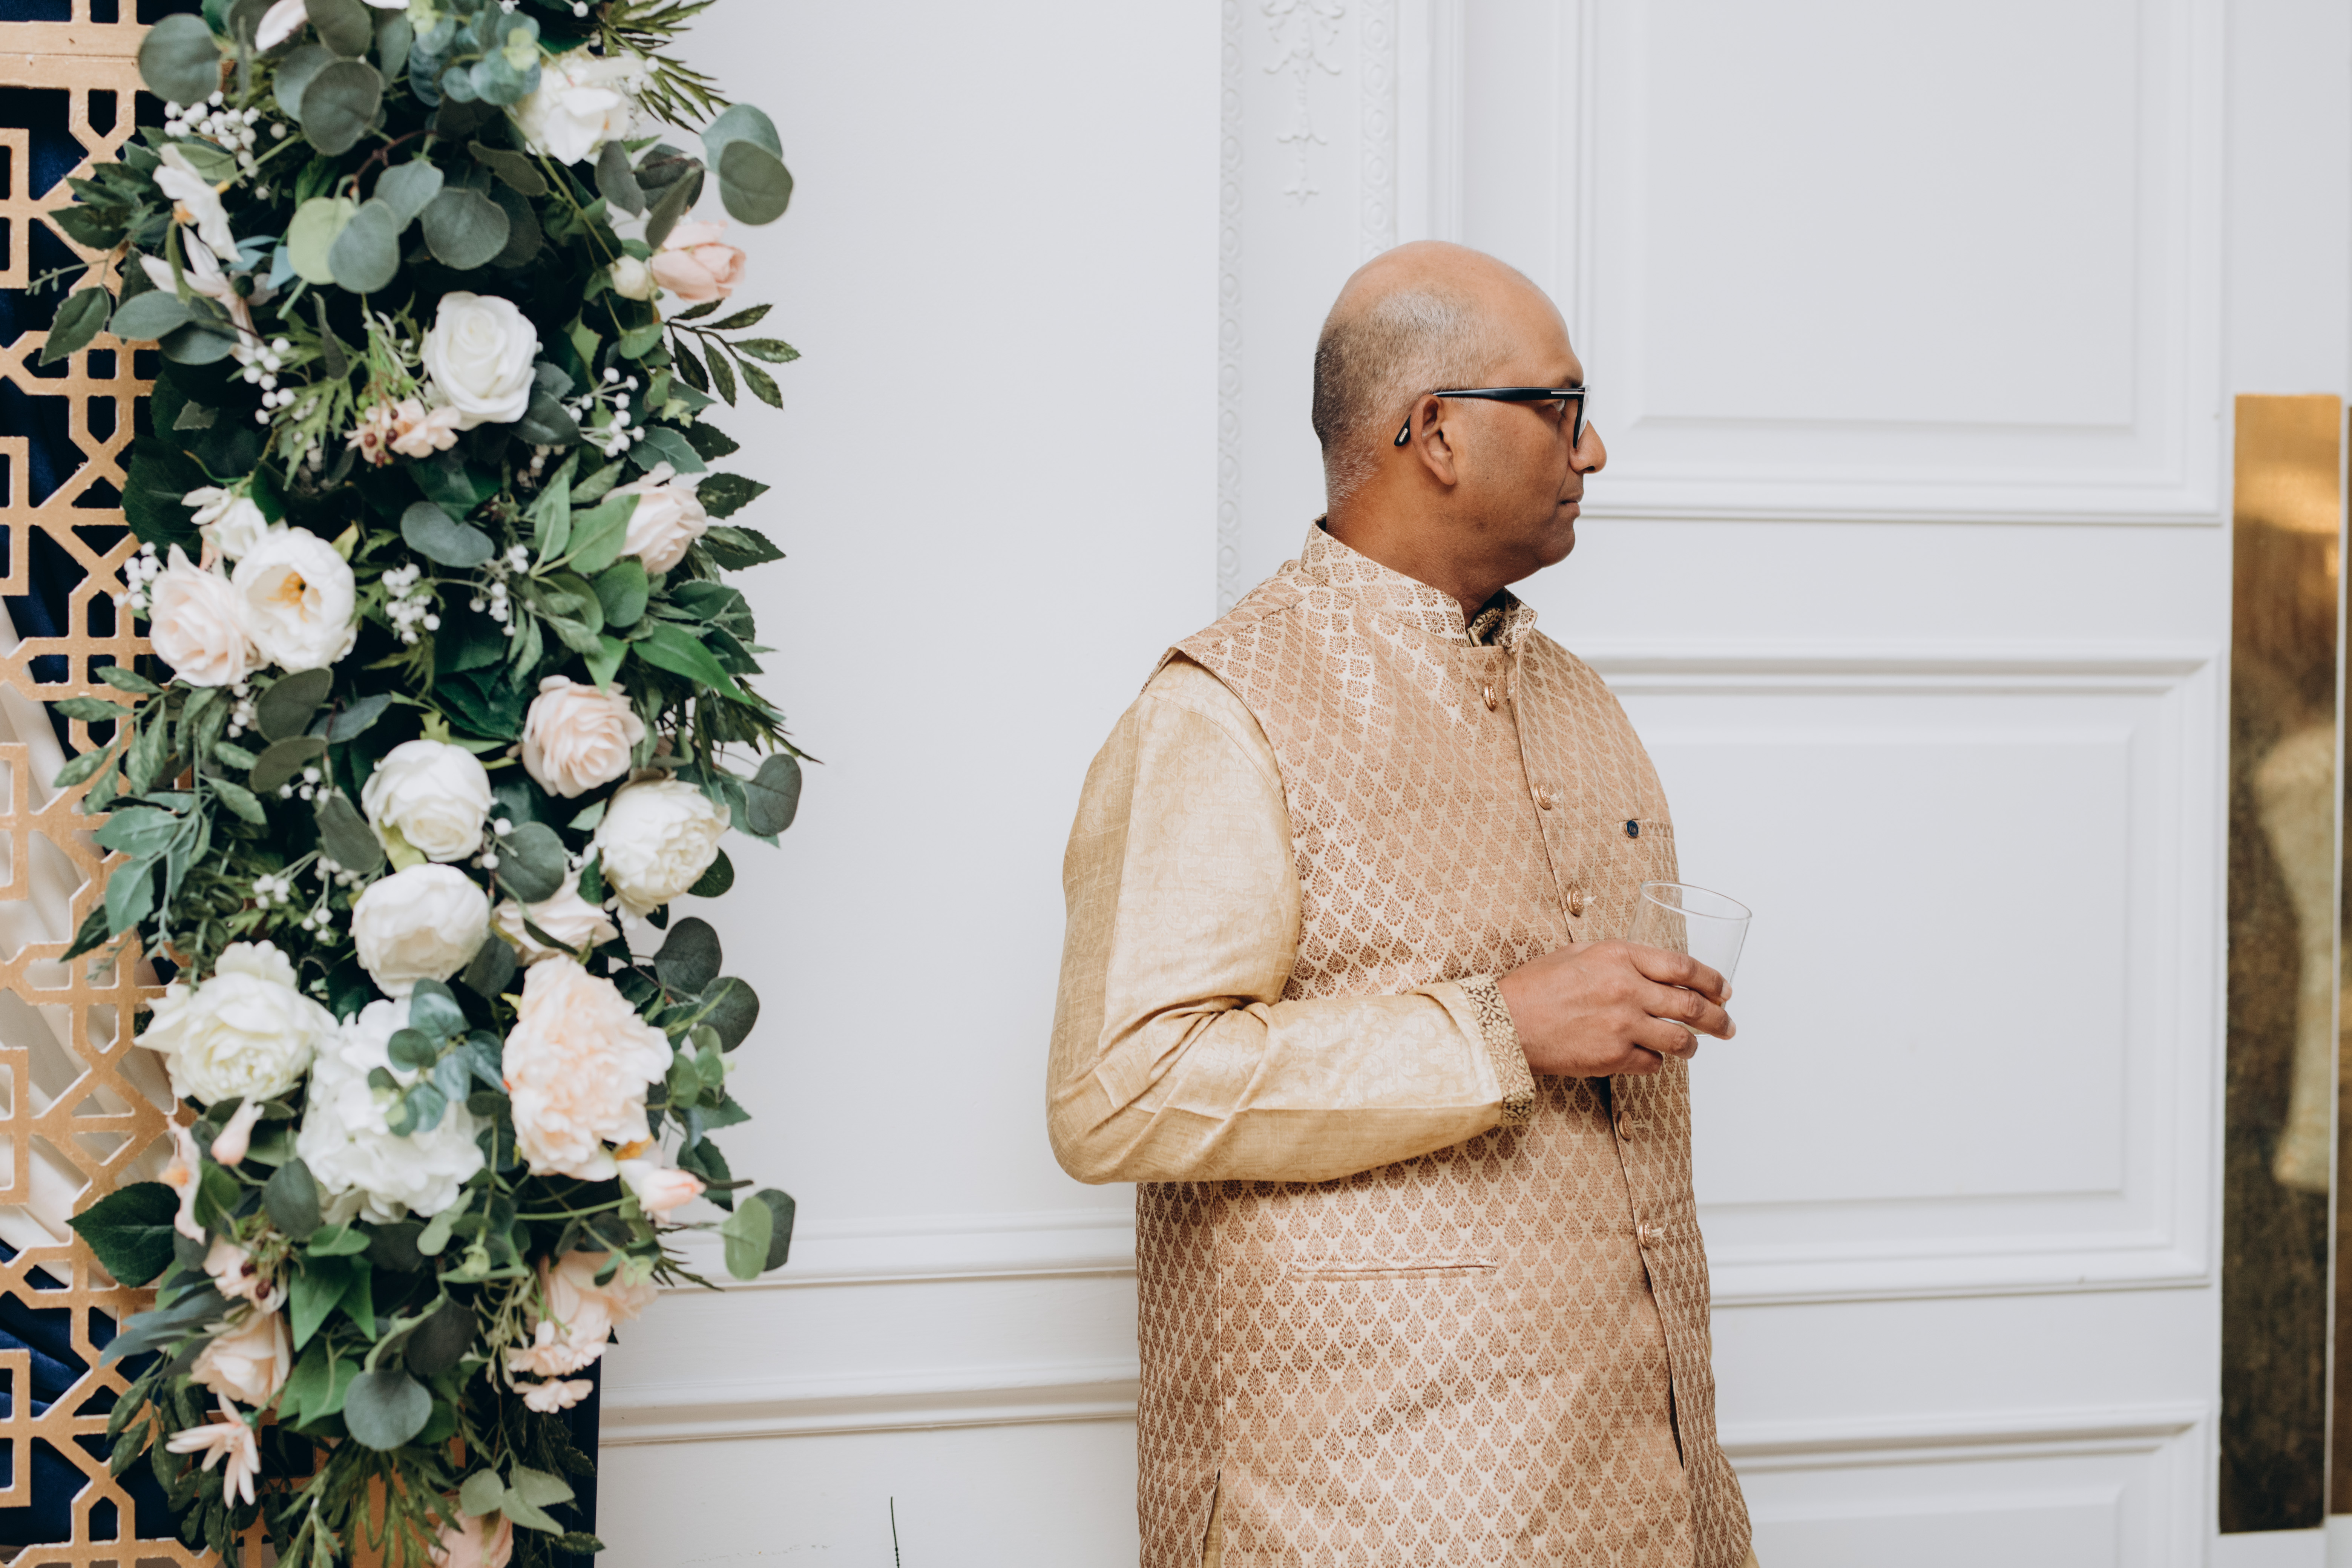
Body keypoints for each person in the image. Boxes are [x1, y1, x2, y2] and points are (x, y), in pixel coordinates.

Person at [1048, 240, 1757, 1568]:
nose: (1593, 450)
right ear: (1435, 432)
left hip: (1645, 1502)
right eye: (1561, 407)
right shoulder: (1221, 711)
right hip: (1364, 1509)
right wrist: (1499, 1028)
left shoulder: (1578, 698)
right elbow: (1120, 1091)